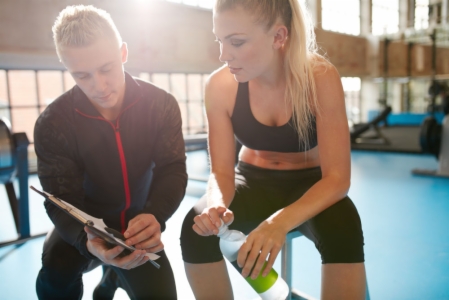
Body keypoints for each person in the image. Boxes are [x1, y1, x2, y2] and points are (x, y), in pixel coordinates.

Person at [180, 0, 366, 299]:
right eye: (220, 40)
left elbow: (337, 179)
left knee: (343, 226)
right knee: (196, 227)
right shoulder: (220, 85)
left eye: (236, 42)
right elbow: (222, 171)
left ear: (278, 37)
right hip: (251, 180)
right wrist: (216, 204)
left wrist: (277, 223)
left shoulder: (320, 78)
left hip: (312, 184)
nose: (223, 55)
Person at [34, 5, 187, 300]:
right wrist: (86, 240)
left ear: (123, 53)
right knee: (55, 270)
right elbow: (60, 200)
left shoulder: (161, 105)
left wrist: (156, 216)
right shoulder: (54, 123)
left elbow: (172, 168)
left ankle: (110, 279)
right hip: (83, 228)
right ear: (68, 69)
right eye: (82, 76)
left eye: (106, 69)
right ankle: (109, 271)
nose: (99, 86)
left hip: (139, 225)